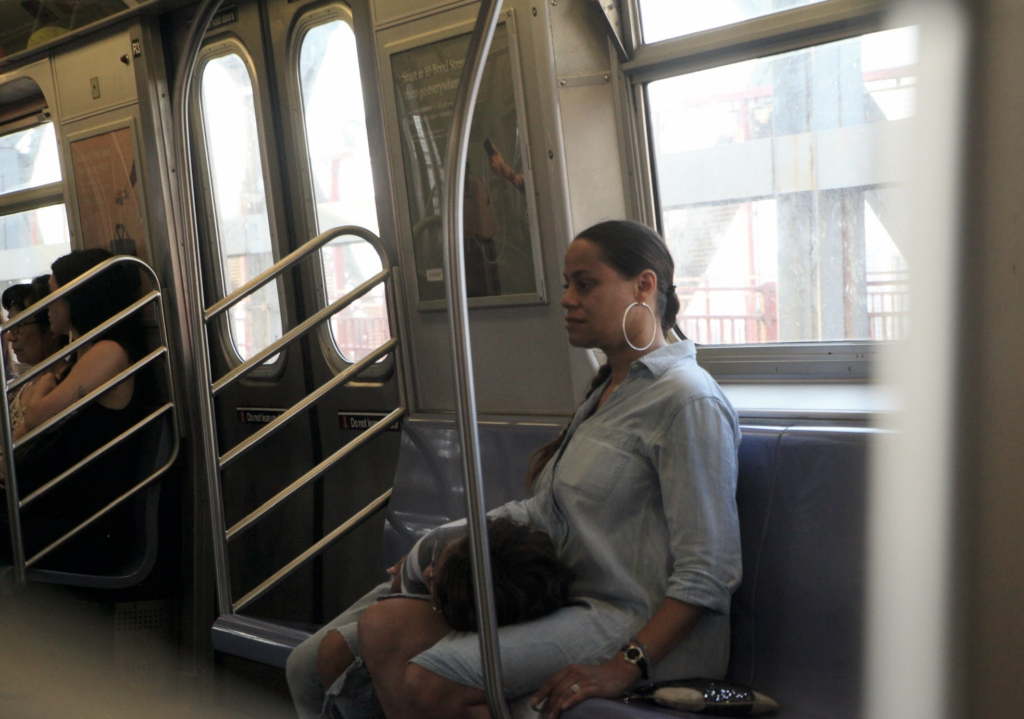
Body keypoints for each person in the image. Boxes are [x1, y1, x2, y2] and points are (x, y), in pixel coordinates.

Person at [287, 220, 742, 719]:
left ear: (645, 285)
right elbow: (542, 513)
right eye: (566, 283)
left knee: (429, 678)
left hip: (633, 621)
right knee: (324, 656)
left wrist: (624, 664)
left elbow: (709, 572)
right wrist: (438, 545)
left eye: (584, 284)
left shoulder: (687, 401)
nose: (567, 299)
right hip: (564, 602)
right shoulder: (607, 393)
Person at [2, 249, 147, 568]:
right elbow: (26, 432)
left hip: (83, 523)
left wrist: (43, 385)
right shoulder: (79, 356)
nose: (47, 307)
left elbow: (40, 416)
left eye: (54, 296)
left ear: (78, 297)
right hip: (60, 503)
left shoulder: (109, 352)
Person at [396, 518, 575, 633]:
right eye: (436, 563)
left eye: (437, 585)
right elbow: (397, 591)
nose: (429, 572)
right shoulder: (432, 547)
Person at [2, 276, 68, 433]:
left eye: (18, 326)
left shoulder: (63, 386)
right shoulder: (17, 389)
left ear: (51, 327)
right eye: (10, 326)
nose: (11, 337)